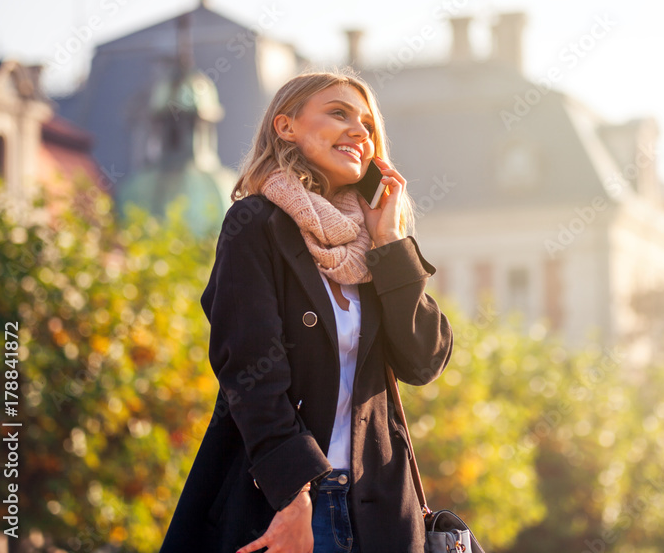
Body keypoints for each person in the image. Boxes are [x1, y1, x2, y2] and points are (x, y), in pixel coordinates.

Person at [160, 70, 454, 553]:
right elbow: (249, 374)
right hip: (282, 503)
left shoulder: (378, 243)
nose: (359, 131)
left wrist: (390, 242)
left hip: (379, 510)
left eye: (367, 123)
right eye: (338, 113)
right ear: (286, 126)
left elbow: (424, 362)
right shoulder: (255, 225)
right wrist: (293, 498)